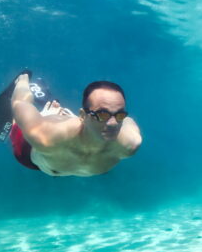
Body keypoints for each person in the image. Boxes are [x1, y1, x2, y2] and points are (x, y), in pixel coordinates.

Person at [10, 73, 142, 176]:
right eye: (102, 115)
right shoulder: (43, 136)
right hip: (34, 158)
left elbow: (128, 121)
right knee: (17, 125)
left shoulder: (129, 145)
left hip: (71, 139)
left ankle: (59, 114)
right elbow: (20, 103)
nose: (113, 124)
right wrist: (22, 82)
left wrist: (106, 116)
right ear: (83, 116)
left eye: (119, 115)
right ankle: (47, 114)